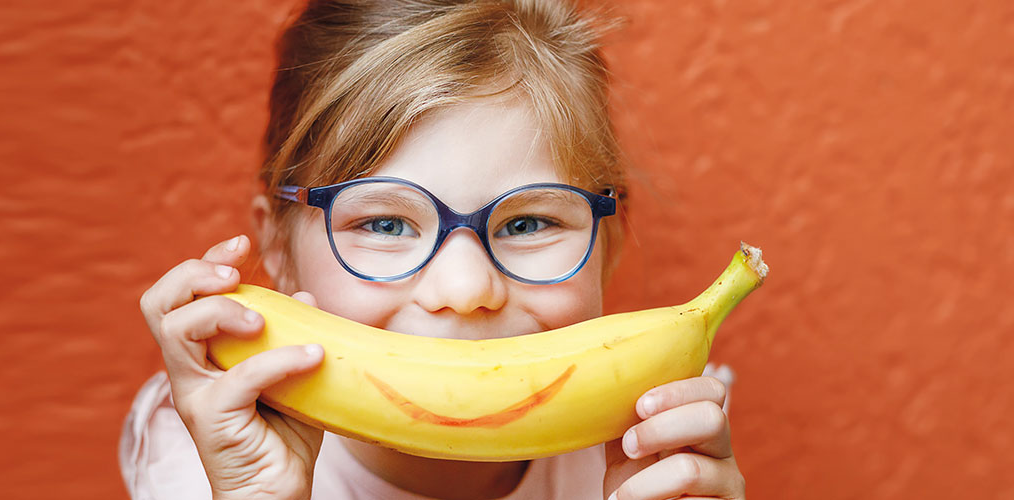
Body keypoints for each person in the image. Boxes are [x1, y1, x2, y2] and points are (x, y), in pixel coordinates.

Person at [123, 0, 747, 498]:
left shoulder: (660, 451)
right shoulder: (210, 458)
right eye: (387, 225)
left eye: (528, 223)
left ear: (610, 241)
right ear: (276, 248)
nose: (465, 289)